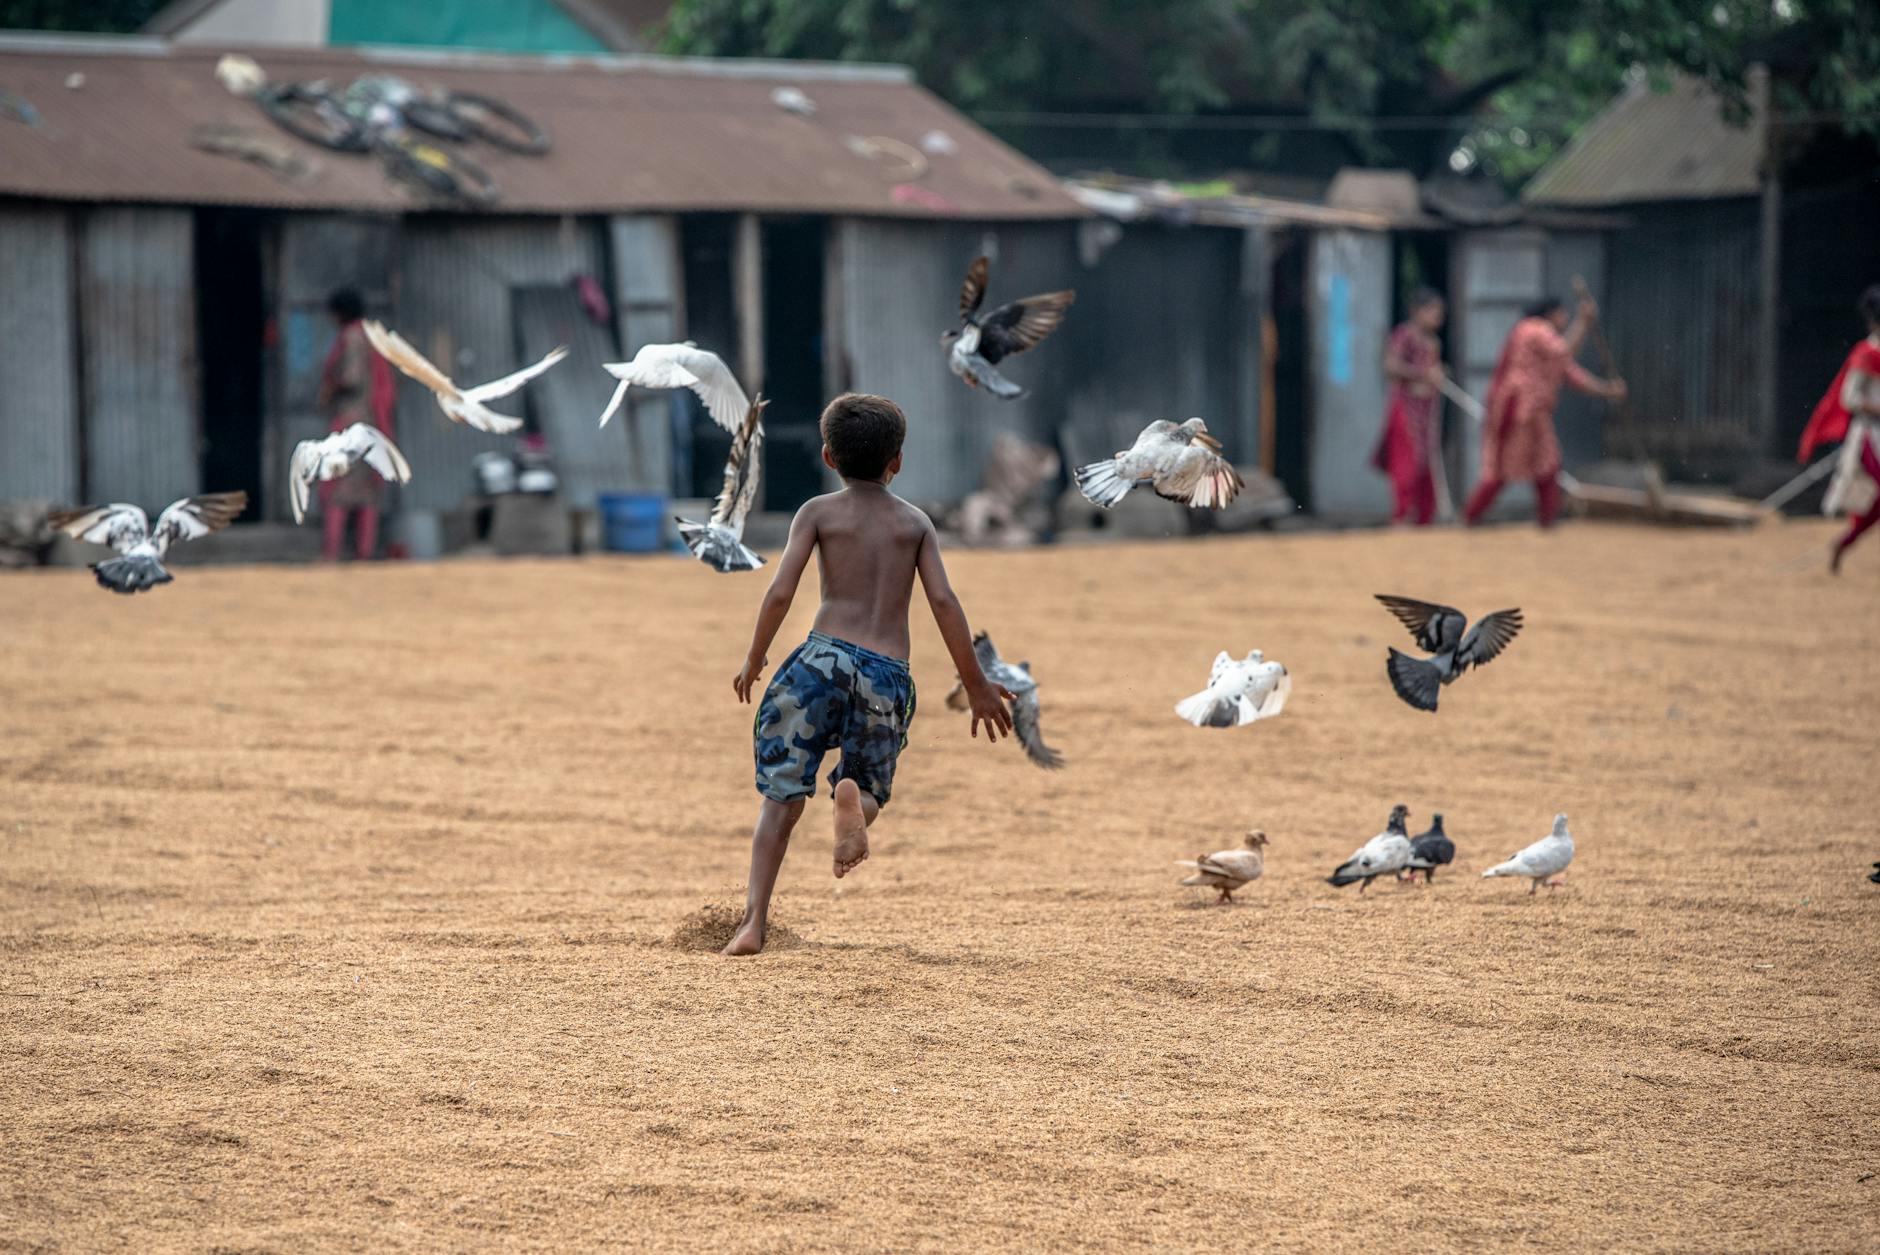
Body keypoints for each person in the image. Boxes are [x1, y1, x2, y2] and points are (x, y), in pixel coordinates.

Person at [723, 393, 1014, 956]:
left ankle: (753, 923)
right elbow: (945, 603)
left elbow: (781, 590)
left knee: (781, 797)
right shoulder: (916, 524)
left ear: (828, 457)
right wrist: (976, 684)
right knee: (872, 784)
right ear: (897, 461)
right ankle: (855, 795)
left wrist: (756, 657)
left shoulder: (816, 512)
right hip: (885, 671)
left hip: (819, 660)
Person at [1463, 295, 1625, 528]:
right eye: (1563, 313)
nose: (1565, 318)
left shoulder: (1547, 342)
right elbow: (1563, 352)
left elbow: (1572, 374)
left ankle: (1547, 520)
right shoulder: (1532, 329)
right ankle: (1471, 515)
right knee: (1502, 467)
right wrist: (1583, 321)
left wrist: (1608, 390)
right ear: (1551, 313)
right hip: (1518, 411)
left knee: (1548, 464)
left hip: (1536, 412)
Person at [1797, 285, 1880, 574]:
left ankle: (1842, 544)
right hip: (1870, 434)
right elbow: (1850, 398)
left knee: (1875, 508)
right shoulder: (1867, 353)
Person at [316, 288, 397, 561]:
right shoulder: (373, 336)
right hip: (373, 423)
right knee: (368, 491)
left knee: (337, 489)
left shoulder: (351, 337)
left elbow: (352, 379)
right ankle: (364, 552)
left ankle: (333, 553)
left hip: (352, 421)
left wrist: (330, 388)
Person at [1372, 287, 1446, 526]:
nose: (1437, 317)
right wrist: (1422, 374)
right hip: (1406, 409)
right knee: (1407, 463)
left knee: (1426, 463)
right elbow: (1390, 366)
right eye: (1432, 310)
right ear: (1416, 311)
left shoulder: (1433, 341)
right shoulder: (1405, 335)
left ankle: (1424, 517)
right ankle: (1402, 515)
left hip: (1427, 412)